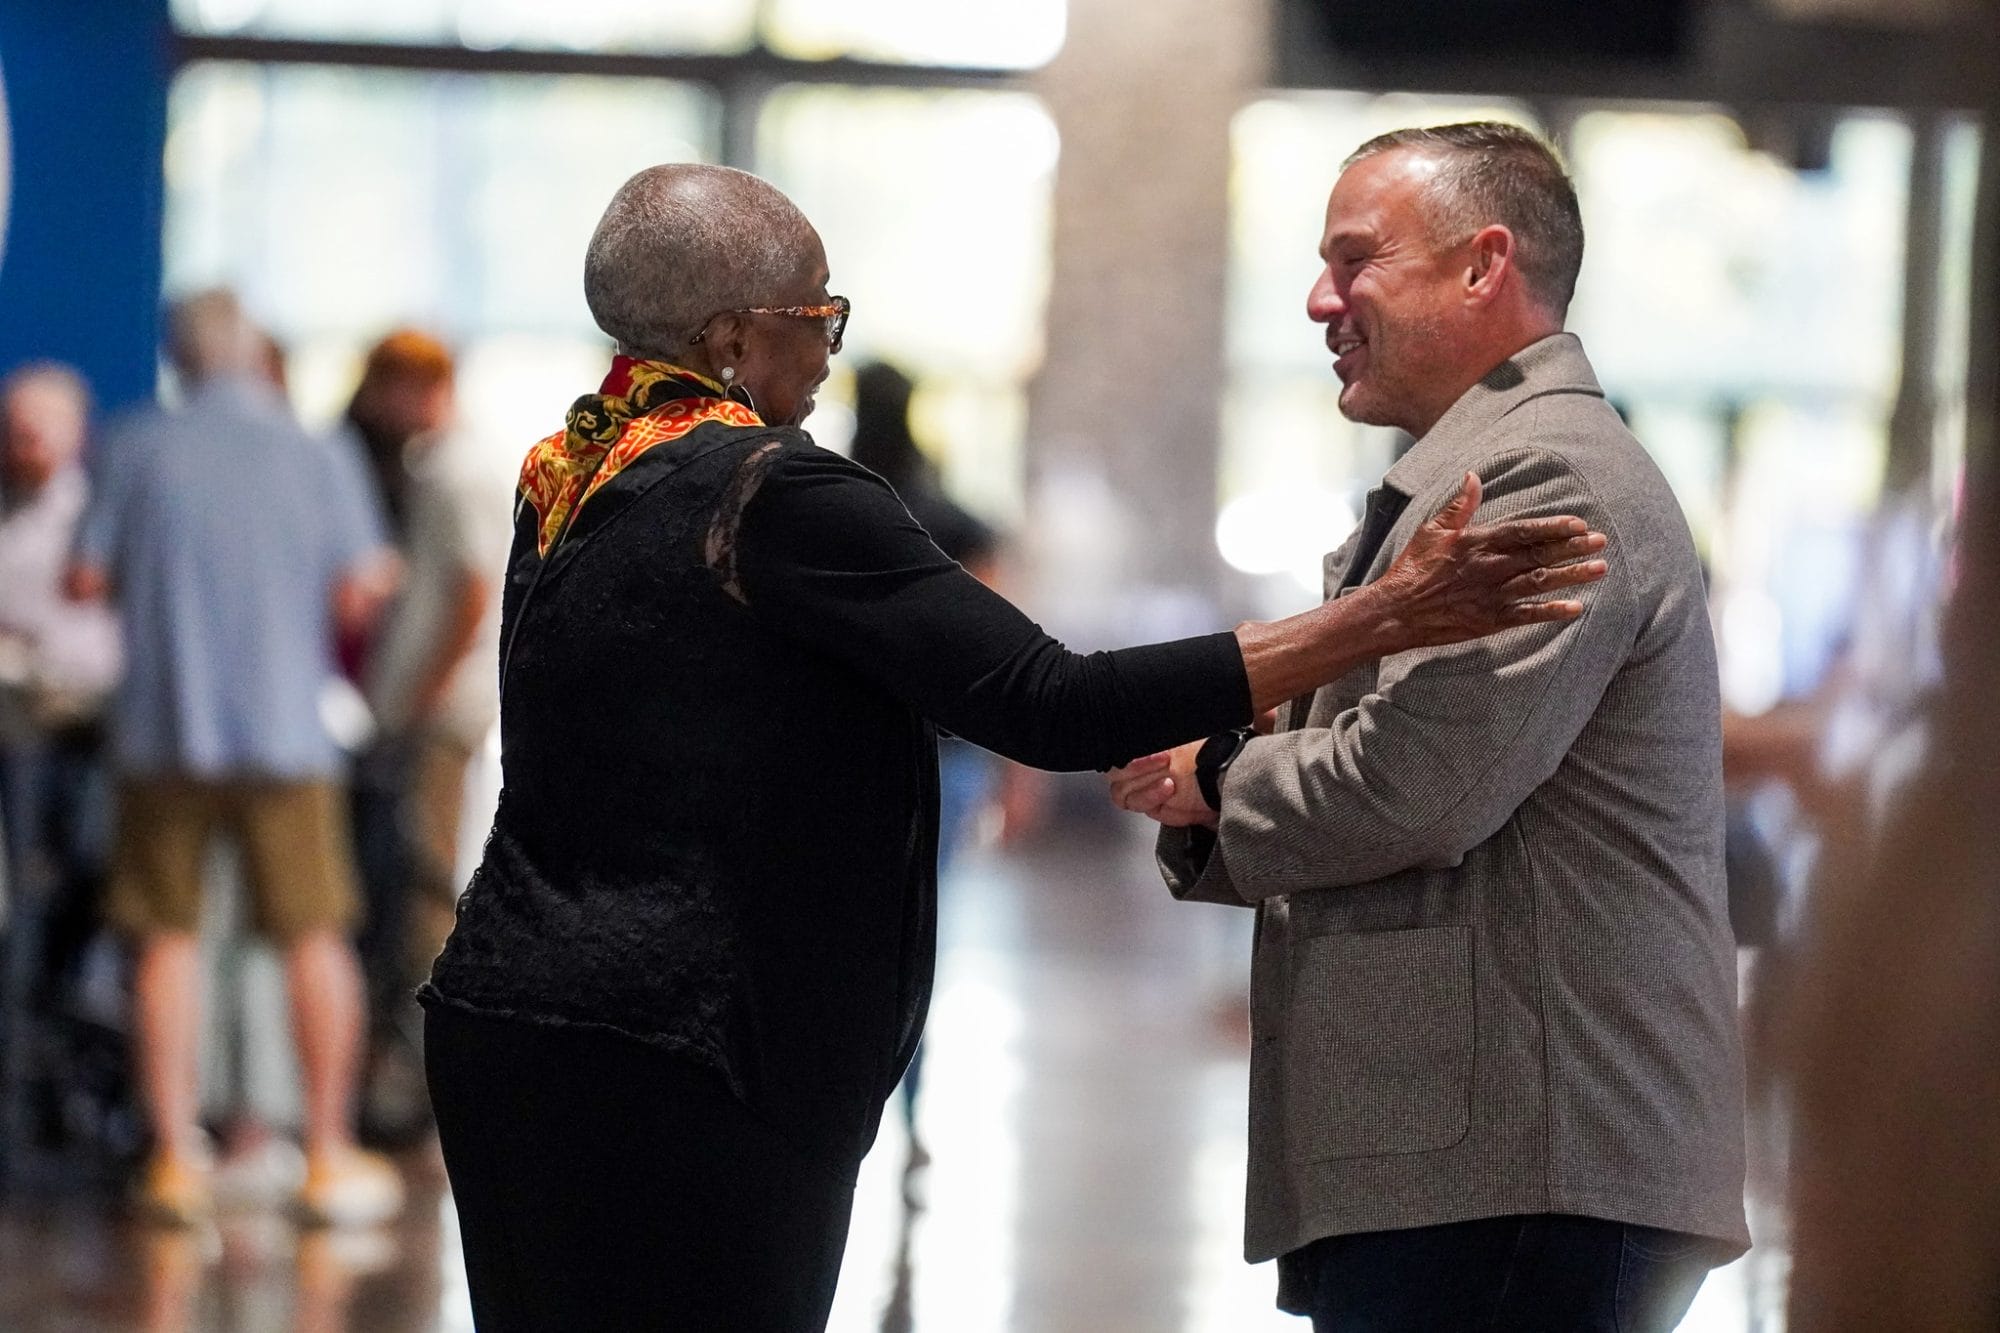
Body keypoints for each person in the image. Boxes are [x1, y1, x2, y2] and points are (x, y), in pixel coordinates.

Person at [417, 162, 1609, 1332]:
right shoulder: (776, 491)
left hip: (508, 1017)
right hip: (686, 1048)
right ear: (730, 337)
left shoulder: (571, 471)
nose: (830, 347)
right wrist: (1378, 616)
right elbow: (1049, 700)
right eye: (814, 313)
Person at [1109, 123, 1747, 1331]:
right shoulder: (1485, 468)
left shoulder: (1546, 476)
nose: (1318, 300)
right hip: (1487, 1158)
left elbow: (1419, 782)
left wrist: (1212, 776)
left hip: (1526, 1161)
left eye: (1354, 261)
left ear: (1480, 264)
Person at [67, 290, 404, 1228]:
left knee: (164, 938)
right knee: (315, 934)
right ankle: (328, 1152)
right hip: (287, 734)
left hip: (162, 729)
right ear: (256, 354)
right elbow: (362, 588)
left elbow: (88, 578)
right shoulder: (314, 450)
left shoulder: (135, 445)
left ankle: (177, 1157)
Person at [343, 331, 509, 1142]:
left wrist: (417, 695)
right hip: (434, 709)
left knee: (422, 889)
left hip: (437, 717)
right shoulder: (440, 467)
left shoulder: (453, 471)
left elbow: (473, 591)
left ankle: (420, 1074)